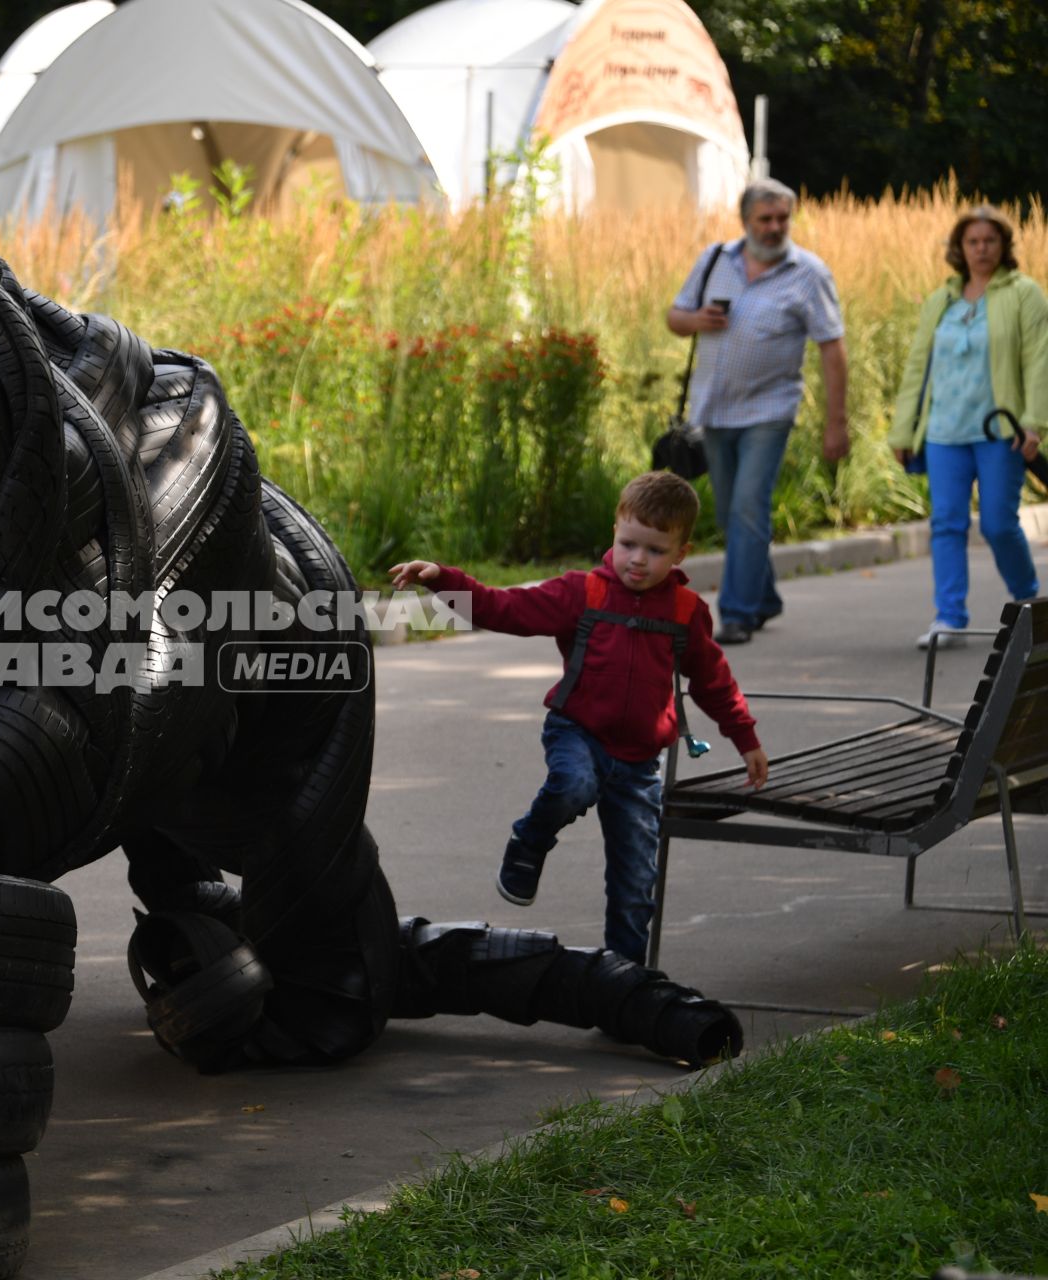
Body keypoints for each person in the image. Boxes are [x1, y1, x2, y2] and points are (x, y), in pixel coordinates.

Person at [389, 472, 768, 965]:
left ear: (681, 553)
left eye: (654, 550)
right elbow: (507, 609)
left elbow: (714, 679)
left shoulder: (685, 611)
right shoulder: (582, 593)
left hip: (638, 765)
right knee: (573, 786)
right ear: (614, 530)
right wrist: (445, 580)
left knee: (635, 884)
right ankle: (529, 841)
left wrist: (746, 737)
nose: (637, 559)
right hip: (578, 733)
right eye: (628, 543)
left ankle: (625, 983)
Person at [666, 177, 850, 646]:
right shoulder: (715, 259)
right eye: (764, 219)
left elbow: (833, 347)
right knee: (731, 514)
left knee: (749, 506)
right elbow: (674, 317)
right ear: (745, 220)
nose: (774, 228)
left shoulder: (809, 273)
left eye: (782, 218)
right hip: (713, 408)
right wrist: (697, 320)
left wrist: (836, 421)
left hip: (770, 409)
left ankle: (737, 612)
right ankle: (765, 597)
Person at [888, 205, 1045, 649]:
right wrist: (904, 431)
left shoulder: (1024, 294)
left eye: (989, 241)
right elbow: (918, 366)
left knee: (998, 524)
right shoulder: (942, 300)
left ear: (1004, 246)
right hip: (943, 432)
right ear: (960, 248)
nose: (981, 249)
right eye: (972, 242)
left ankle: (1029, 603)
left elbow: (1039, 361)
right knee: (947, 524)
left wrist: (1034, 424)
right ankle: (949, 617)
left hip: (1000, 432)